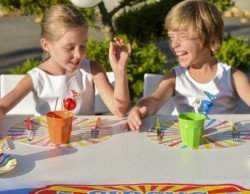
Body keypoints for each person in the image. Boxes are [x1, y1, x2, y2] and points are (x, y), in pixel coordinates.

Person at [126, 0, 250, 131]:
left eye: (183, 36)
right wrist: (139, 108)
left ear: (211, 41)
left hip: (221, 146)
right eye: (171, 37)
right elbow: (155, 100)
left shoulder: (233, 78)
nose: (174, 45)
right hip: (184, 147)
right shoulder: (175, 78)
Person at [0, 4, 131, 118]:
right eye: (70, 47)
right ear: (46, 45)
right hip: (48, 143)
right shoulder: (37, 78)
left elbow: (119, 111)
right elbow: (3, 107)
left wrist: (119, 70)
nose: (78, 54)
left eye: (83, 45)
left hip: (85, 143)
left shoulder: (92, 70)